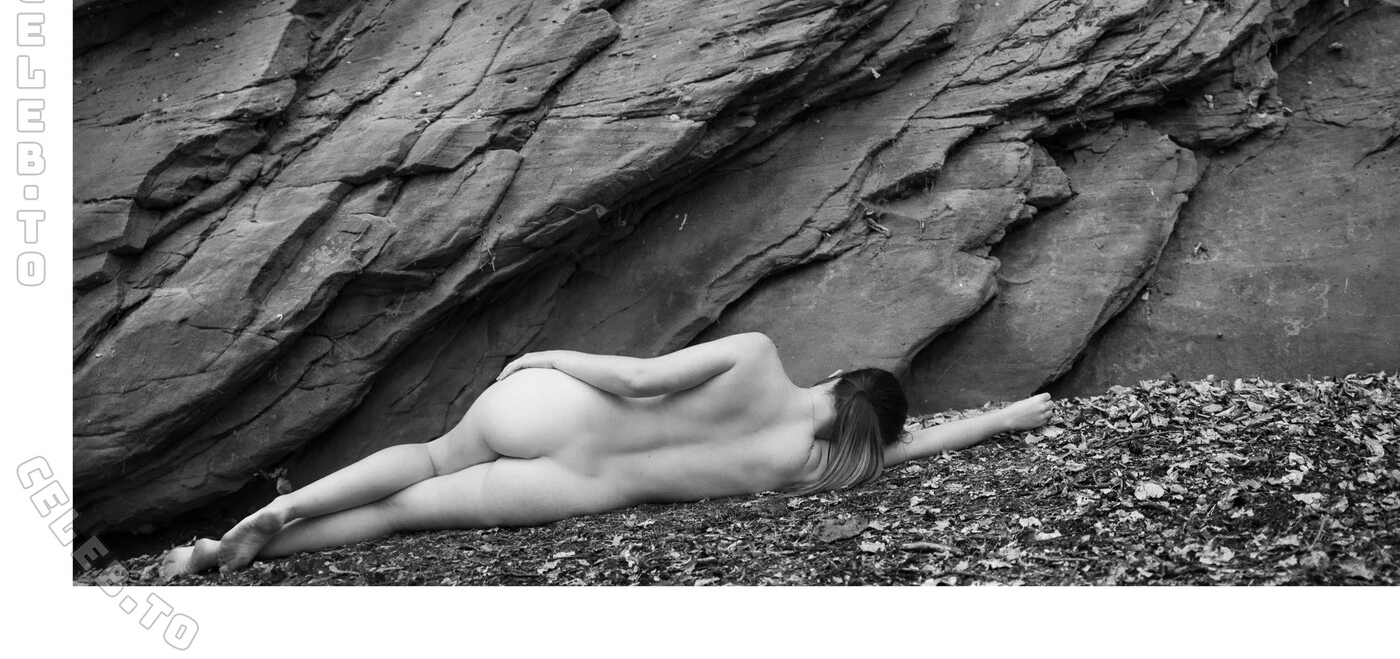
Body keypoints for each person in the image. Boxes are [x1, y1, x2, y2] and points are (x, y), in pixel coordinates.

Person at [160, 332, 1055, 577]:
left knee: (429, 456)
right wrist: (1008, 418)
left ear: (834, 377)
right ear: (864, 433)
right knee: (399, 516)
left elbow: (634, 379)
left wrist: (545, 357)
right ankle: (222, 558)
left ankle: (280, 503)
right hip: (572, 485)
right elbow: (924, 444)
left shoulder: (757, 356)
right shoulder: (813, 465)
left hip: (560, 411)